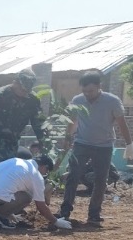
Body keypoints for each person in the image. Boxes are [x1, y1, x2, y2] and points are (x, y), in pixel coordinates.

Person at [57, 69, 133, 227]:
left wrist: (129, 144)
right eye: (84, 91)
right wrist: (67, 139)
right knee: (73, 176)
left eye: (90, 90)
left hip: (104, 146)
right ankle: (64, 212)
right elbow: (73, 122)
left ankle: (94, 215)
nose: (87, 94)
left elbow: (121, 123)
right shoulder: (78, 100)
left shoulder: (112, 101)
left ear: (99, 86)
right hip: (81, 143)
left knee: (101, 180)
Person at [0, 149, 72, 230]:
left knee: (8, 191)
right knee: (27, 197)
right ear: (44, 167)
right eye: (46, 172)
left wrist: (11, 214)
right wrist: (56, 221)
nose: (44, 174)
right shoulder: (36, 175)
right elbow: (40, 205)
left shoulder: (14, 161)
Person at [0, 69, 47, 165]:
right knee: (4, 162)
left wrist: (43, 140)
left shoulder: (32, 100)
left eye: (27, 91)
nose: (25, 94)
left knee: (6, 164)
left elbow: (37, 122)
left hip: (13, 138)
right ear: (15, 83)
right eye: (23, 90)